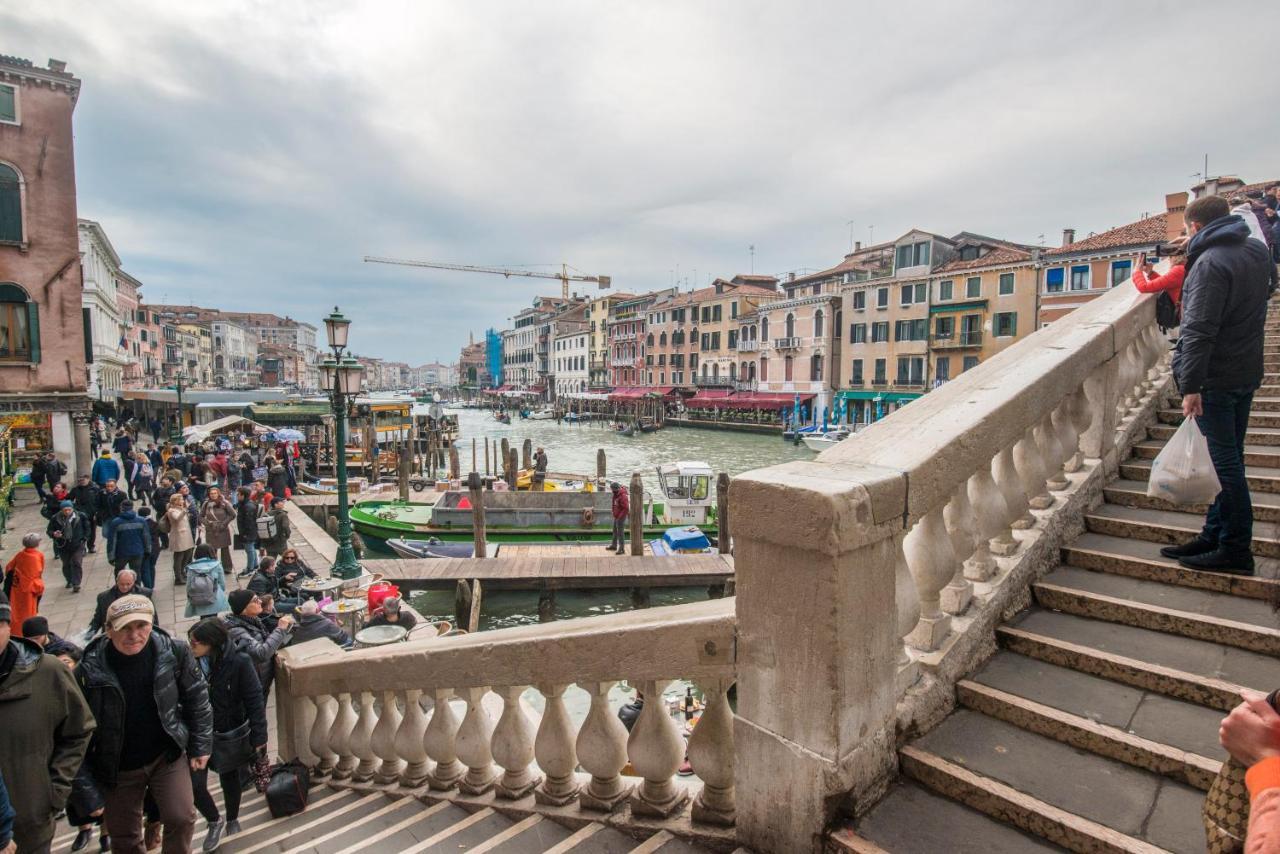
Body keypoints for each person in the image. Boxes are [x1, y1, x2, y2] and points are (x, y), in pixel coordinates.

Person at [1163, 195, 1275, 575]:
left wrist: (1190, 384)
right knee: (1227, 458)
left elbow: (1198, 330)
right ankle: (1213, 534)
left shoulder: (1209, 264)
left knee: (1226, 466)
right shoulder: (1256, 252)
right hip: (1245, 371)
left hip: (1216, 377)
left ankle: (1235, 548)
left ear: (1194, 227)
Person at [78, 595, 212, 854]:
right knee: (125, 837)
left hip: (165, 755)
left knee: (182, 816)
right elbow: (72, 734)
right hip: (117, 767)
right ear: (108, 630)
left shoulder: (173, 651)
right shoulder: (88, 671)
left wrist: (201, 744)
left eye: (141, 626)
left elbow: (197, 697)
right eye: (125, 628)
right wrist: (86, 790)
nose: (134, 635)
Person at [0, 594, 95, 854]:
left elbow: (79, 731)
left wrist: (53, 792)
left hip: (31, 823)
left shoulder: (48, 672)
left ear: (9, 626)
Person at [186, 618, 266, 849]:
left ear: (211, 642)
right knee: (194, 785)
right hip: (198, 733)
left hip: (227, 730)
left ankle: (232, 817)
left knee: (230, 779)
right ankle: (214, 820)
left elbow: (254, 700)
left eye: (195, 642)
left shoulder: (239, 662)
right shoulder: (189, 663)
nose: (191, 646)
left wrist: (259, 736)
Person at [49, 645, 109, 853]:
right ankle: (84, 830)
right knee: (80, 802)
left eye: (66, 662)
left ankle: (105, 833)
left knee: (103, 802)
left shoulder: (90, 682)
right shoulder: (52, 694)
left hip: (97, 754)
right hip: (73, 762)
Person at [223, 590, 293, 696]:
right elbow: (261, 653)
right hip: (251, 686)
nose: (260, 601)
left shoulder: (252, 620)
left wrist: (286, 629)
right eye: (255, 600)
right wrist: (280, 629)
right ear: (244, 607)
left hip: (261, 681)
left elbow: (266, 641)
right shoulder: (236, 630)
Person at [88, 570, 155, 636]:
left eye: (128, 584)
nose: (125, 587)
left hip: (137, 634)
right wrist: (90, 633)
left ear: (134, 582)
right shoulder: (104, 597)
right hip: (114, 634)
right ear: (117, 581)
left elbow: (152, 616)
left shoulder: (145, 594)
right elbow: (97, 619)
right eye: (122, 584)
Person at [4, 533, 44, 636]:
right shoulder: (37, 557)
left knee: (16, 612)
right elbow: (37, 576)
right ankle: (26, 633)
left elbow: (9, 567)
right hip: (29, 591)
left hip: (16, 589)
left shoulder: (20, 554)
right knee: (28, 613)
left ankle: (15, 631)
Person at [48, 499, 91, 593]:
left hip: (78, 544)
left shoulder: (80, 516)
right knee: (66, 564)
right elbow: (49, 530)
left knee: (76, 562)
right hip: (63, 545)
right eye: (65, 510)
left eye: (69, 509)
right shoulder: (55, 518)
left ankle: (77, 583)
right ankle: (69, 580)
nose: (67, 512)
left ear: (72, 508)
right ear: (61, 510)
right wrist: (54, 534)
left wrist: (85, 538)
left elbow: (87, 528)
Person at [184, 544, 230, 620]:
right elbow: (222, 585)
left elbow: (188, 586)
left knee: (203, 619)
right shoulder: (217, 565)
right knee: (214, 618)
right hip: (214, 598)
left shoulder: (191, 568)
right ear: (211, 552)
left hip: (197, 598)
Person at [105, 500, 151, 575]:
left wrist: (111, 557)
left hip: (121, 553)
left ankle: (122, 586)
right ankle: (136, 586)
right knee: (136, 574)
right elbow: (146, 537)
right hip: (137, 551)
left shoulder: (116, 522)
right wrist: (148, 550)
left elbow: (112, 541)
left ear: (121, 508)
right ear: (132, 507)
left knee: (119, 574)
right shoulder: (141, 521)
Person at [161, 493, 197, 585]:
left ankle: (182, 571)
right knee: (179, 556)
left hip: (186, 535)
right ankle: (178, 577)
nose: (182, 501)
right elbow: (177, 519)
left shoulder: (180, 509)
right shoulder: (171, 510)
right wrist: (185, 510)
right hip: (179, 536)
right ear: (175, 501)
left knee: (188, 554)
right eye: (180, 499)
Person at [286, 599, 351, 649]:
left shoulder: (295, 627)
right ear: (317, 610)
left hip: (307, 655)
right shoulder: (327, 624)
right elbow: (343, 637)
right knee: (349, 640)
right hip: (326, 653)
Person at [199, 488, 236, 572]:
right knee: (211, 549)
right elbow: (200, 516)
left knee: (225, 550)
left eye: (215, 493)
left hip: (222, 529)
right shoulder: (206, 504)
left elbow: (233, 514)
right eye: (211, 493)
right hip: (211, 530)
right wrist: (207, 524)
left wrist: (224, 523)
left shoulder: (224, 503)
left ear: (218, 494)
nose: (213, 495)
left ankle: (227, 568)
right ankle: (213, 567)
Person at [69, 474, 102, 554]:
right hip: (81, 514)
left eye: (83, 480)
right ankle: (82, 548)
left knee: (92, 531)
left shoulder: (95, 488)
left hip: (92, 514)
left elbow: (99, 501)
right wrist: (76, 508)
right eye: (79, 480)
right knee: (81, 531)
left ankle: (91, 546)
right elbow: (69, 500)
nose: (81, 482)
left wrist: (97, 513)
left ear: (88, 479)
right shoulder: (75, 490)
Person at [235, 487, 261, 580]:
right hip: (250, 532)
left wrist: (245, 534)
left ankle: (250, 569)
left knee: (249, 550)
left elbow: (249, 523)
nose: (236, 496)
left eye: (238, 494)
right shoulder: (245, 504)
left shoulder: (247, 506)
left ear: (243, 495)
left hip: (248, 533)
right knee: (251, 549)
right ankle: (255, 565)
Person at [137, 506, 162, 590]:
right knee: (151, 567)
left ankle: (148, 587)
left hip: (144, 550)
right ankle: (151, 585)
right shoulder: (153, 523)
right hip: (155, 549)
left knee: (145, 569)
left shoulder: (139, 524)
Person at [607, 481, 629, 554]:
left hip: (620, 517)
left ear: (615, 489)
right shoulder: (616, 494)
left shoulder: (622, 496)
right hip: (617, 516)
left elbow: (626, 508)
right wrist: (614, 512)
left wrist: (619, 517)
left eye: (612, 489)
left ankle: (622, 548)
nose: (611, 490)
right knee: (615, 531)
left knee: (620, 533)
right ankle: (614, 545)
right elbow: (614, 504)